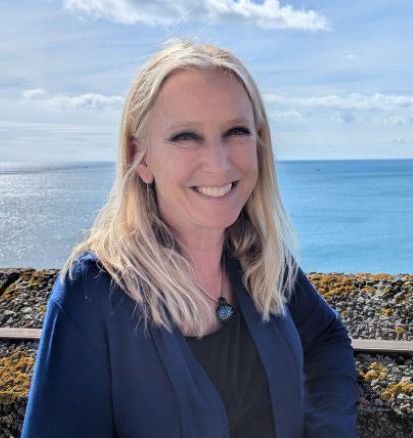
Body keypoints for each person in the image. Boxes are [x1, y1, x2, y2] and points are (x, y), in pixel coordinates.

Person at [21, 39, 358, 438]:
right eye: (186, 136)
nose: (218, 163)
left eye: (236, 131)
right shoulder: (94, 296)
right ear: (140, 158)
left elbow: (326, 339)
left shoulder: (259, 259)